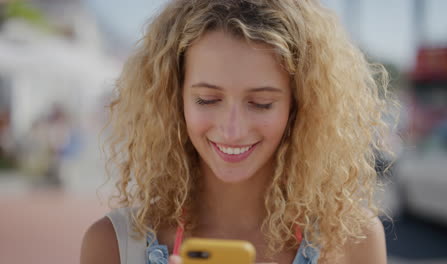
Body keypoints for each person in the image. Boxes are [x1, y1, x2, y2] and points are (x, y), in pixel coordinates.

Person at [81, 0, 395, 263]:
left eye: (261, 103)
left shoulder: (354, 241)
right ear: (174, 99)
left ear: (299, 106)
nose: (232, 130)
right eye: (208, 99)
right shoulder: (111, 244)